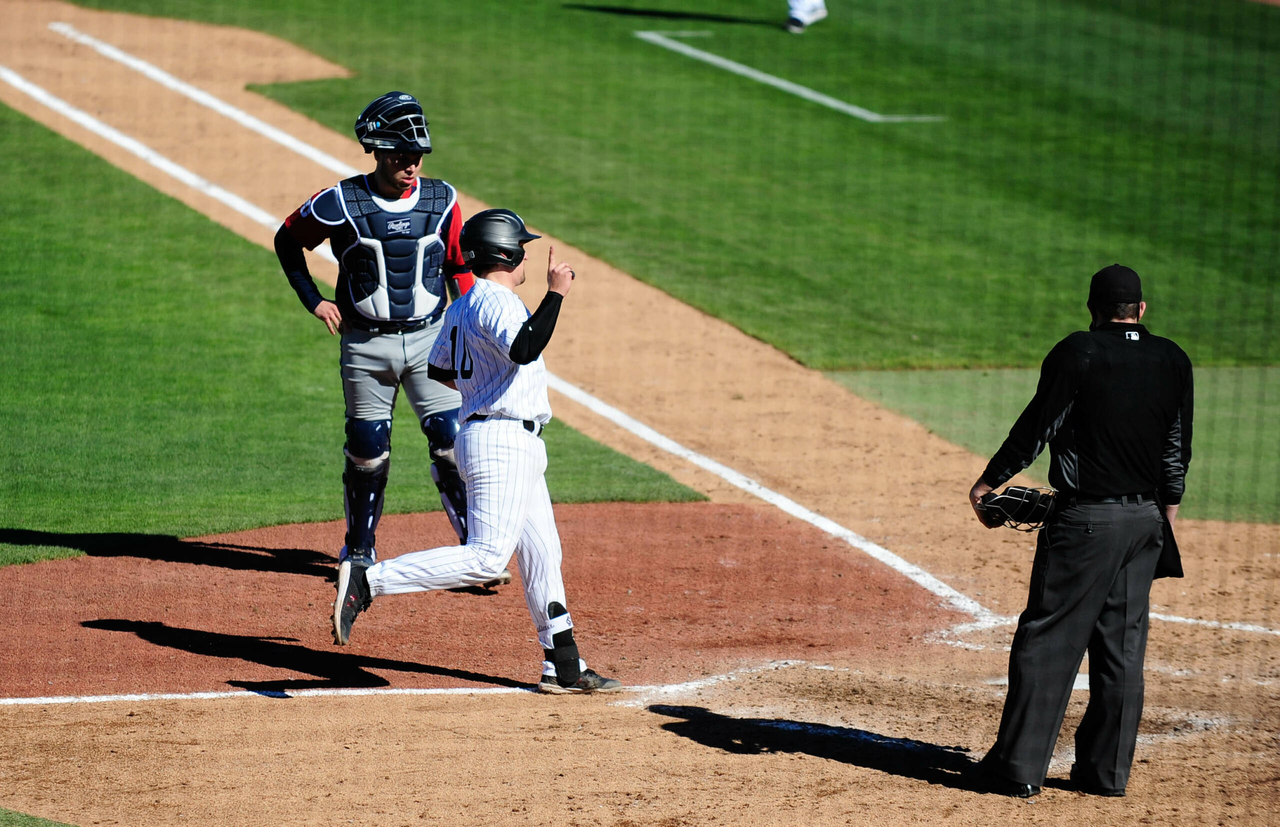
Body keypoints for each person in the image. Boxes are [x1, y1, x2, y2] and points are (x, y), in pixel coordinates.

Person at [332, 208, 622, 695]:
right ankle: (367, 580)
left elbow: (441, 370)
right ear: (505, 253)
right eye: (521, 248)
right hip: (502, 442)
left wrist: (482, 382)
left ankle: (563, 664)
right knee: (488, 559)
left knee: (543, 553)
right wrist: (557, 292)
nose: (527, 255)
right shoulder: (500, 302)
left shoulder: (463, 306)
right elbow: (525, 348)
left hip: (505, 440)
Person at [967, 264, 1193, 798]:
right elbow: (1176, 444)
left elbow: (1037, 426)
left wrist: (988, 483)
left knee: (1046, 640)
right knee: (1121, 648)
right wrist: (1168, 514)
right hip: (1146, 523)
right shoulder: (1172, 357)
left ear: (1093, 310)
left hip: (1086, 523)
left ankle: (1017, 768)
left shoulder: (1079, 351)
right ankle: (1105, 775)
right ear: (1141, 310)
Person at [274, 91, 509, 594]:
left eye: (418, 155)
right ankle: (358, 550)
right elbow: (287, 240)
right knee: (366, 450)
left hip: (431, 341)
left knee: (450, 439)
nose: (412, 165)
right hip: (365, 344)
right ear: (378, 150)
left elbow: (458, 267)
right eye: (402, 155)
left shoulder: (442, 200)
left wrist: (474, 323)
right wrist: (313, 299)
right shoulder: (339, 202)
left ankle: (473, 543)